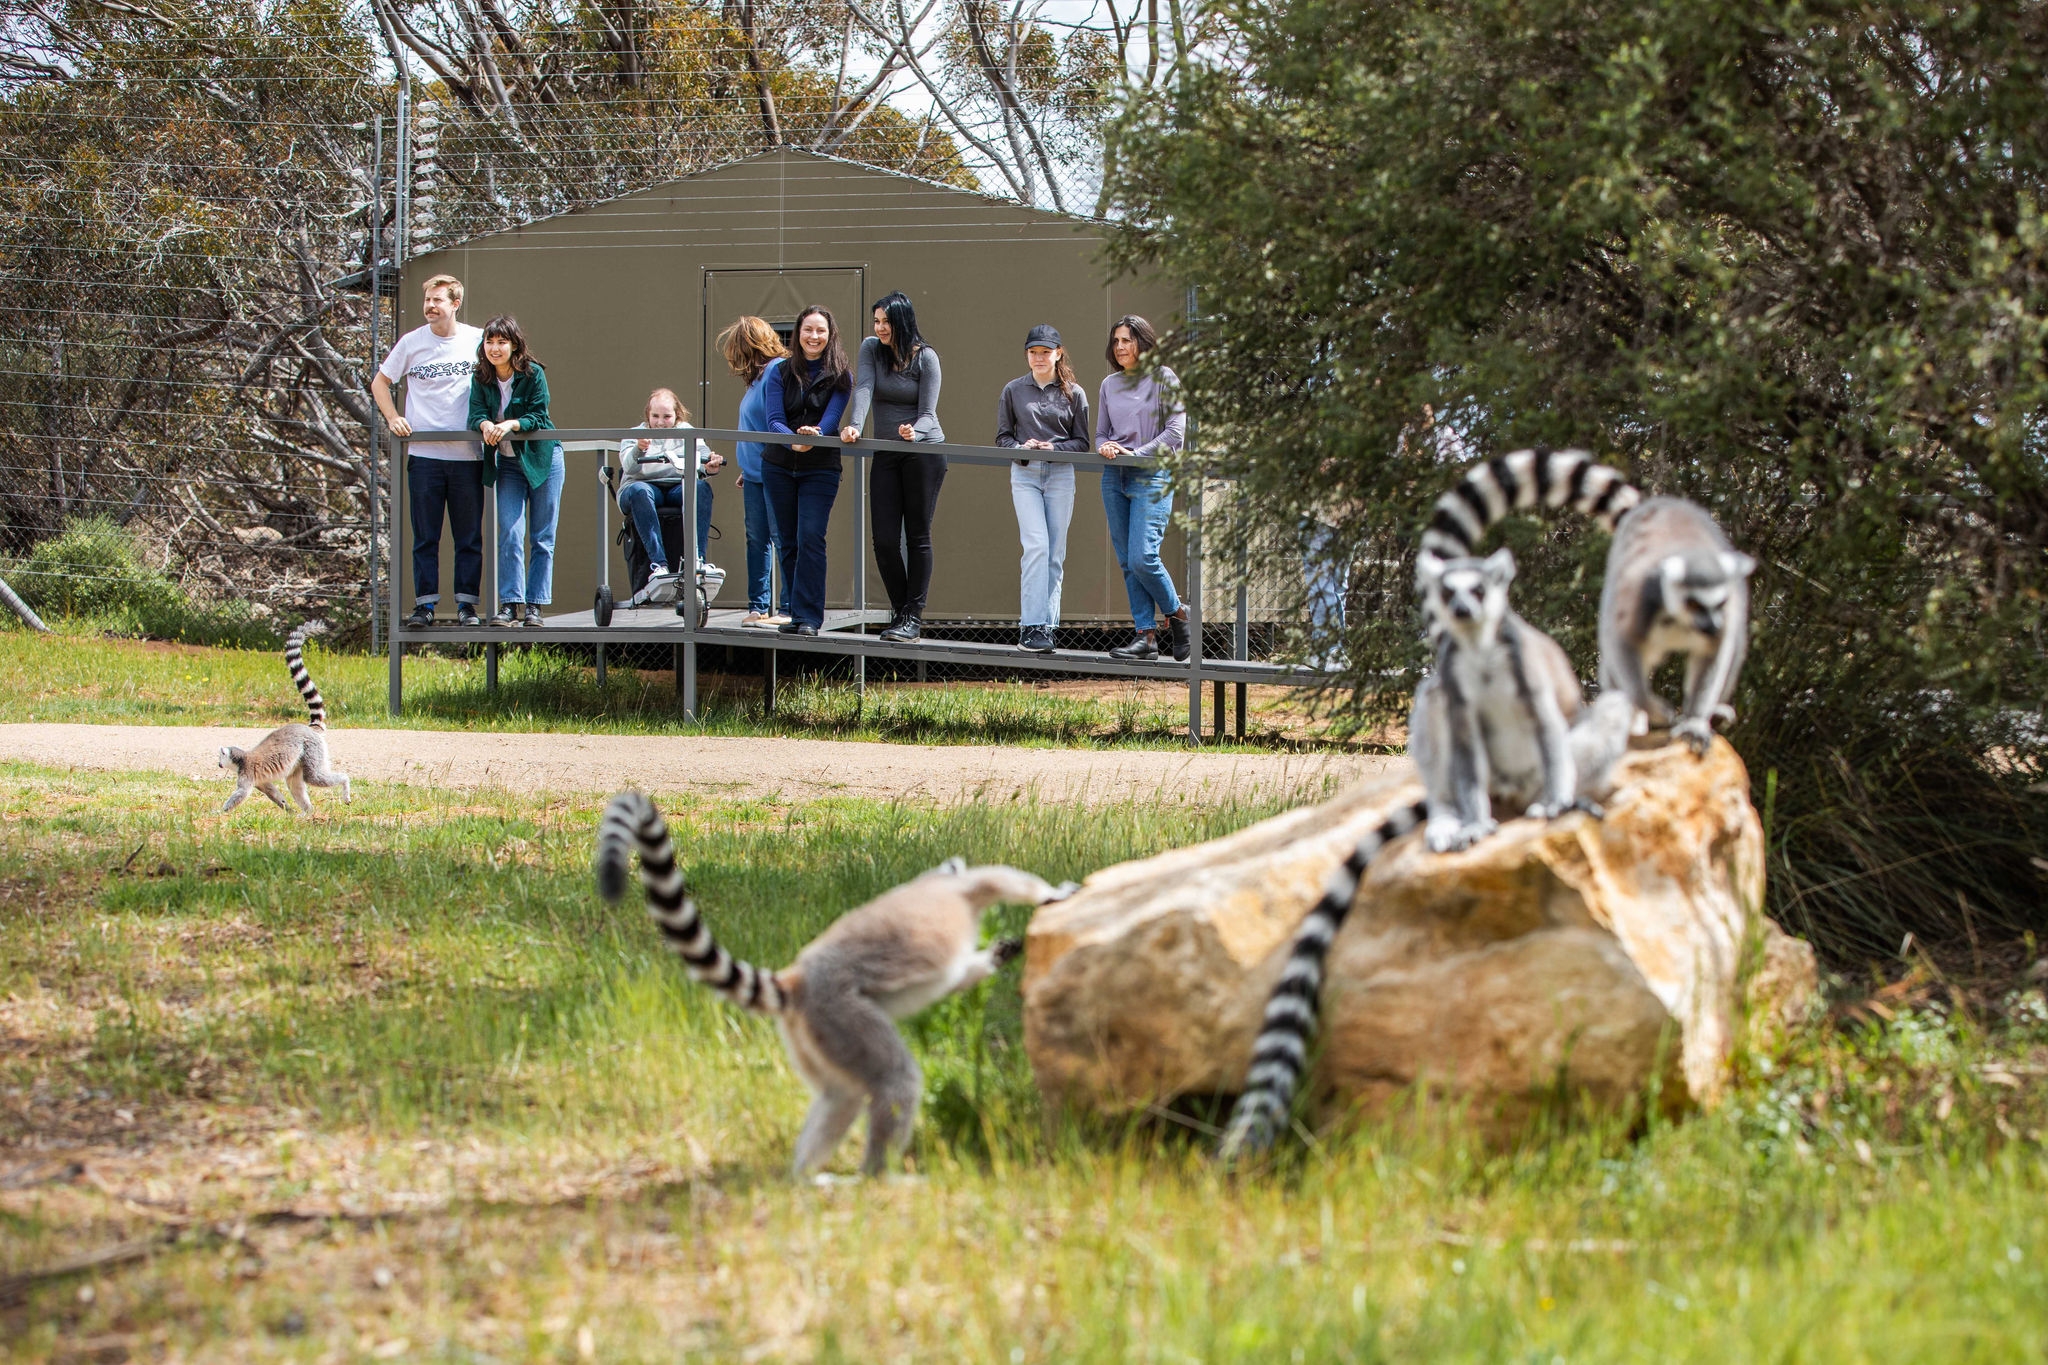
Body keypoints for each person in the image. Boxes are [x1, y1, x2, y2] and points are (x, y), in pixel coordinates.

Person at [374, 274, 485, 628]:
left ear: (455, 304)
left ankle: (467, 606)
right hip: (424, 458)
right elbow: (380, 382)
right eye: (427, 300)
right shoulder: (411, 343)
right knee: (426, 537)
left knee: (468, 537)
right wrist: (393, 418)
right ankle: (425, 607)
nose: (430, 307)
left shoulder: (477, 340)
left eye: (438, 300)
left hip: (467, 456)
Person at [840, 291, 943, 643]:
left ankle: (913, 617)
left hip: (923, 451)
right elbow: (864, 387)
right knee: (884, 540)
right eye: (876, 321)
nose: (879, 327)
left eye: (885, 321)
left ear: (902, 321)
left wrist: (915, 431)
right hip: (886, 452)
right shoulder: (871, 348)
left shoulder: (926, 358)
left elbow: (929, 414)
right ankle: (902, 613)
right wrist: (855, 425)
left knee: (917, 535)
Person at [1096, 314, 1190, 661]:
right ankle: (1145, 636)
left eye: (1128, 340)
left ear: (1144, 342)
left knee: (1142, 557)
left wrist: (1135, 453)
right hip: (1114, 478)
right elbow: (1101, 434)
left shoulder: (1164, 378)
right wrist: (1106, 447)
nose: (1120, 347)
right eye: (1116, 341)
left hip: (1152, 475)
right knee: (1126, 561)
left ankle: (1178, 613)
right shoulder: (1109, 384)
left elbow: (1175, 434)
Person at [996, 324, 1090, 654]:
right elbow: (1002, 437)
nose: (1039, 358)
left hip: (1061, 474)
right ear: (1026, 355)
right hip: (1025, 474)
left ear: (1058, 354)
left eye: (1045, 352)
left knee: (1055, 554)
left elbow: (1082, 442)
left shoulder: (1074, 393)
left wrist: (1055, 450)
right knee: (1036, 545)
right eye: (1033, 352)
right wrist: (1023, 447)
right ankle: (1030, 626)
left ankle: (1048, 627)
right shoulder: (1012, 390)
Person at [761, 304, 853, 637]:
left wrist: (812, 438)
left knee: (810, 536)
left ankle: (811, 618)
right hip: (779, 466)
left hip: (820, 468)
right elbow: (773, 420)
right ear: (798, 333)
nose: (813, 337)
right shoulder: (779, 371)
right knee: (786, 541)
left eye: (820, 331)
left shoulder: (842, 374)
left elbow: (831, 420)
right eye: (808, 330)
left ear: (830, 336)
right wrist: (792, 443)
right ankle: (795, 614)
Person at [466, 315, 563, 628]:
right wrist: (484, 424)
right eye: (490, 342)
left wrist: (511, 424)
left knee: (542, 536)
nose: (495, 348)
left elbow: (539, 414)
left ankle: (534, 605)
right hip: (507, 464)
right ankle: (510, 604)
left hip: (542, 460)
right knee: (509, 531)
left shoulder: (532, 373)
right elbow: (476, 414)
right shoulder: (480, 377)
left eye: (501, 342)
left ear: (514, 345)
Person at [717, 316, 791, 627]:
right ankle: (758, 606)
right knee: (756, 539)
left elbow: (775, 422)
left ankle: (788, 607)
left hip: (773, 470)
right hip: (752, 474)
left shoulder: (775, 371)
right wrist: (746, 466)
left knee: (781, 536)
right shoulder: (756, 379)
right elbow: (752, 427)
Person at [616, 387, 724, 592]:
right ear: (648, 414)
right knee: (640, 491)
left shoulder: (687, 432)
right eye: (655, 416)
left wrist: (710, 467)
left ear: (677, 416)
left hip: (676, 486)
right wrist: (639, 449)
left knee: (700, 488)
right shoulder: (635, 435)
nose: (659, 422)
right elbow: (630, 468)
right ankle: (659, 565)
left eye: (666, 416)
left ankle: (698, 561)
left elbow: (702, 459)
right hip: (641, 488)